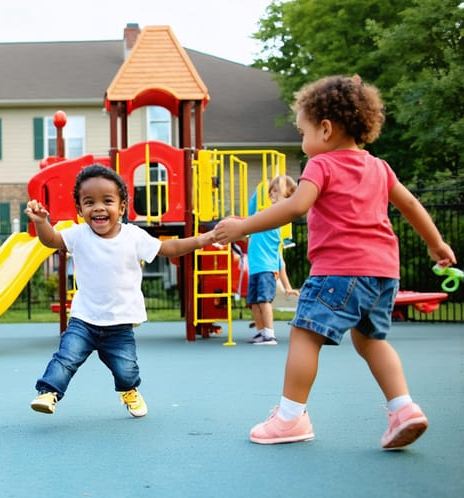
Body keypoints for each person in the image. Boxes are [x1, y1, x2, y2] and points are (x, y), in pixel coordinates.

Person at [213, 75, 456, 449]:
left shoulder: (321, 165)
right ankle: (403, 407)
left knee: (305, 335)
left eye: (302, 132)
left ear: (325, 129)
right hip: (382, 274)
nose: (303, 141)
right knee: (372, 341)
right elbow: (409, 204)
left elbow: (295, 207)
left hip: (338, 270)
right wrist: (436, 244)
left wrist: (243, 226)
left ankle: (290, 418)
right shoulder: (379, 167)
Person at [24, 164, 216, 417]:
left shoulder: (134, 237)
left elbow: (169, 249)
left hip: (120, 323)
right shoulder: (79, 235)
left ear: (122, 207)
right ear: (81, 210)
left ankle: (129, 390)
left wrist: (202, 240)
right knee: (66, 358)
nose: (99, 207)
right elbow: (51, 240)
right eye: (89, 202)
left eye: (108, 201)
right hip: (84, 319)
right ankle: (48, 392)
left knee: (126, 369)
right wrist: (41, 222)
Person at [245, 175, 299, 345]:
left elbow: (278, 260)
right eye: (271, 192)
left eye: (276, 192)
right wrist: (262, 187)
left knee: (263, 300)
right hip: (255, 268)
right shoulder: (262, 216)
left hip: (266, 268)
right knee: (253, 302)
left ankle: (269, 334)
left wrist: (286, 284)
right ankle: (261, 332)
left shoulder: (278, 218)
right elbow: (252, 208)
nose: (272, 195)